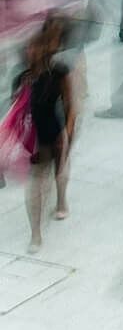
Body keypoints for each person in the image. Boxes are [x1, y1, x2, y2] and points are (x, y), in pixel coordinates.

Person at [14, 22, 75, 253]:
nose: (30, 51)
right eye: (28, 48)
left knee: (59, 172)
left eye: (34, 47)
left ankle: (61, 199)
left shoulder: (58, 71)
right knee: (36, 183)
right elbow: (16, 114)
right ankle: (36, 233)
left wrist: (68, 133)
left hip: (54, 131)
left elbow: (70, 105)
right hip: (34, 138)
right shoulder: (22, 78)